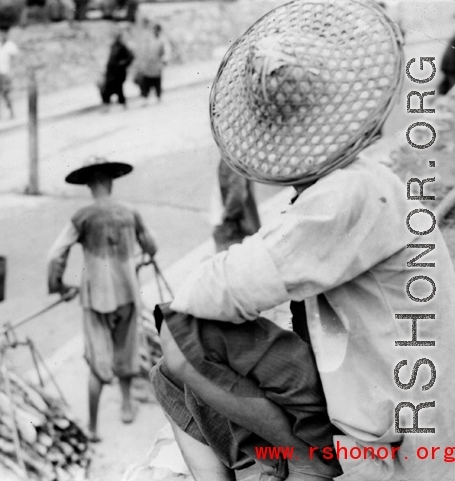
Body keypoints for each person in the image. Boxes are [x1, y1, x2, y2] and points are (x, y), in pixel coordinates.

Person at [151, 2, 455, 481]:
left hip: (393, 446)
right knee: (170, 375)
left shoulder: (348, 194)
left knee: (182, 333)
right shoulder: (363, 183)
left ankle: (297, 457)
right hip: (385, 413)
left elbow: (219, 289)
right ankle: (280, 458)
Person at [47, 156, 157, 441]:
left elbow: (55, 254)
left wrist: (59, 285)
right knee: (125, 351)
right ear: (109, 182)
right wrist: (139, 260)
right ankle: (126, 406)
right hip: (127, 295)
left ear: (89, 185)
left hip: (96, 298)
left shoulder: (83, 216)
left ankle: (94, 427)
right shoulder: (129, 212)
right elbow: (151, 246)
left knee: (99, 360)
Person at [212, 159, 261, 252]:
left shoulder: (231, 160)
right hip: (230, 225)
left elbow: (237, 194)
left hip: (229, 227)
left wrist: (226, 218)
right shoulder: (232, 158)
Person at [136, 24, 169, 105]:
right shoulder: (149, 39)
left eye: (156, 30)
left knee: (157, 81)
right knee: (146, 81)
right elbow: (144, 50)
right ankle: (145, 97)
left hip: (157, 64)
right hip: (148, 65)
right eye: (154, 30)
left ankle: (158, 96)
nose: (155, 31)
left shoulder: (162, 40)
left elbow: (166, 52)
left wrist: (164, 60)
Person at [100, 30, 134, 110]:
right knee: (107, 88)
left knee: (118, 89)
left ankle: (123, 104)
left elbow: (130, 57)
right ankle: (107, 104)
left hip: (118, 73)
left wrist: (123, 64)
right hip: (111, 72)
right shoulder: (113, 46)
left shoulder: (123, 47)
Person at [0, 25, 19, 120]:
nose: (2, 36)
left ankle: (11, 112)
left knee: (5, 93)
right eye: (0, 34)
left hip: (6, 72)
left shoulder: (10, 46)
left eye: (4, 34)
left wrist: (11, 73)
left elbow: (14, 61)